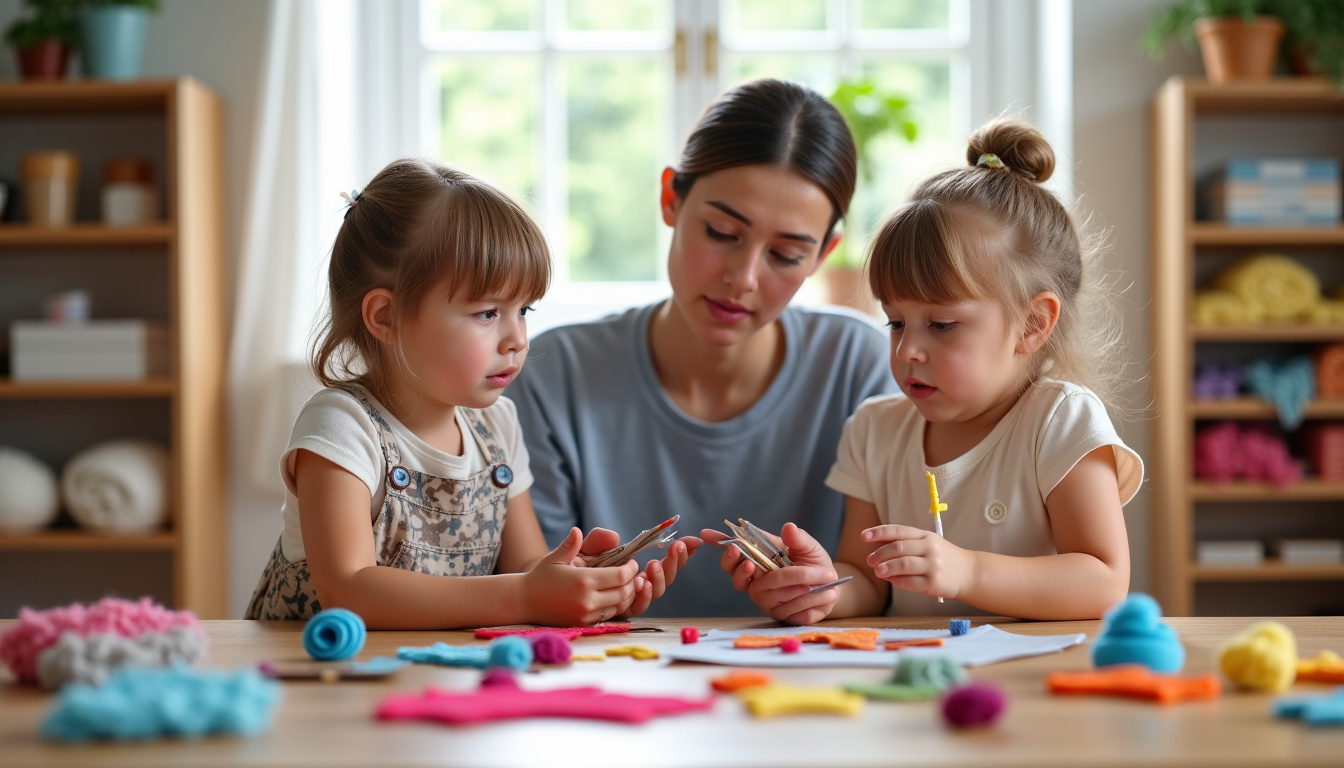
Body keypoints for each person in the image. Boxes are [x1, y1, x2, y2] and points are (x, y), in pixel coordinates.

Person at [713, 117, 1143, 624]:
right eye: (896, 321)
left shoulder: (1060, 421)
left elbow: (1105, 581)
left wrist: (969, 572)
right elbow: (869, 580)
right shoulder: (874, 430)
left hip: (1033, 686)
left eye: (941, 325)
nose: (908, 350)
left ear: (1032, 323)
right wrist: (821, 591)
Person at [507, 79, 897, 617]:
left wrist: (826, 594)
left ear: (824, 253)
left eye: (785, 255)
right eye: (720, 232)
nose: (743, 278)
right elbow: (528, 582)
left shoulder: (863, 367)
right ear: (671, 198)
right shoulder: (554, 376)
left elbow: (885, 583)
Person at [244, 158, 690, 628]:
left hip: (438, 675)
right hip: (316, 682)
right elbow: (349, 590)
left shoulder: (498, 428)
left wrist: (583, 585)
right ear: (385, 317)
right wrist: (525, 596)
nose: (517, 338)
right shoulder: (342, 427)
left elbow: (522, 570)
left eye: (524, 310)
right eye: (486, 313)